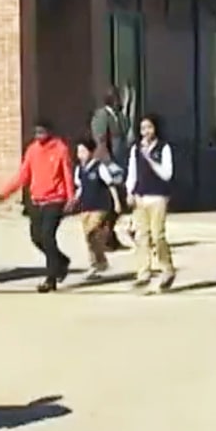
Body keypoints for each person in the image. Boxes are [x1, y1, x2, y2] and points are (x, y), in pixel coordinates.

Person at [0, 119, 75, 292]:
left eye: (42, 132)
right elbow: (23, 176)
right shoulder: (32, 151)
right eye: (36, 132)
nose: (39, 136)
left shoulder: (60, 149)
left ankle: (51, 278)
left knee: (47, 236)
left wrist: (71, 198)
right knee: (37, 238)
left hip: (55, 200)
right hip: (37, 200)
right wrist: (5, 193)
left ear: (49, 132)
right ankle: (61, 261)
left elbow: (67, 174)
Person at [126, 113, 176, 292]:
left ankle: (167, 269)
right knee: (141, 237)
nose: (145, 132)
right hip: (141, 197)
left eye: (149, 127)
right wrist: (130, 192)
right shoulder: (135, 149)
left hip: (158, 197)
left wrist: (150, 159)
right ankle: (143, 273)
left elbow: (167, 174)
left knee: (158, 236)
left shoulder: (164, 148)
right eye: (142, 128)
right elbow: (132, 172)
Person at [68, 138, 122, 279]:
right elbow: (80, 187)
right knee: (88, 237)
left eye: (83, 151)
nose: (80, 154)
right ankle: (97, 263)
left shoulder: (99, 167)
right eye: (79, 151)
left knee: (92, 232)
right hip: (85, 207)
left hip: (100, 206)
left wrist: (116, 202)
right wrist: (74, 199)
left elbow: (110, 185)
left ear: (91, 152)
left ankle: (101, 260)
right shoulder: (79, 169)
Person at [89, 88, 130, 251]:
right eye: (117, 98)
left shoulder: (119, 116)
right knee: (111, 201)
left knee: (119, 201)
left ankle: (109, 235)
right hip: (108, 161)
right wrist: (107, 161)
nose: (119, 101)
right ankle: (104, 237)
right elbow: (100, 140)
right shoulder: (102, 115)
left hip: (120, 160)